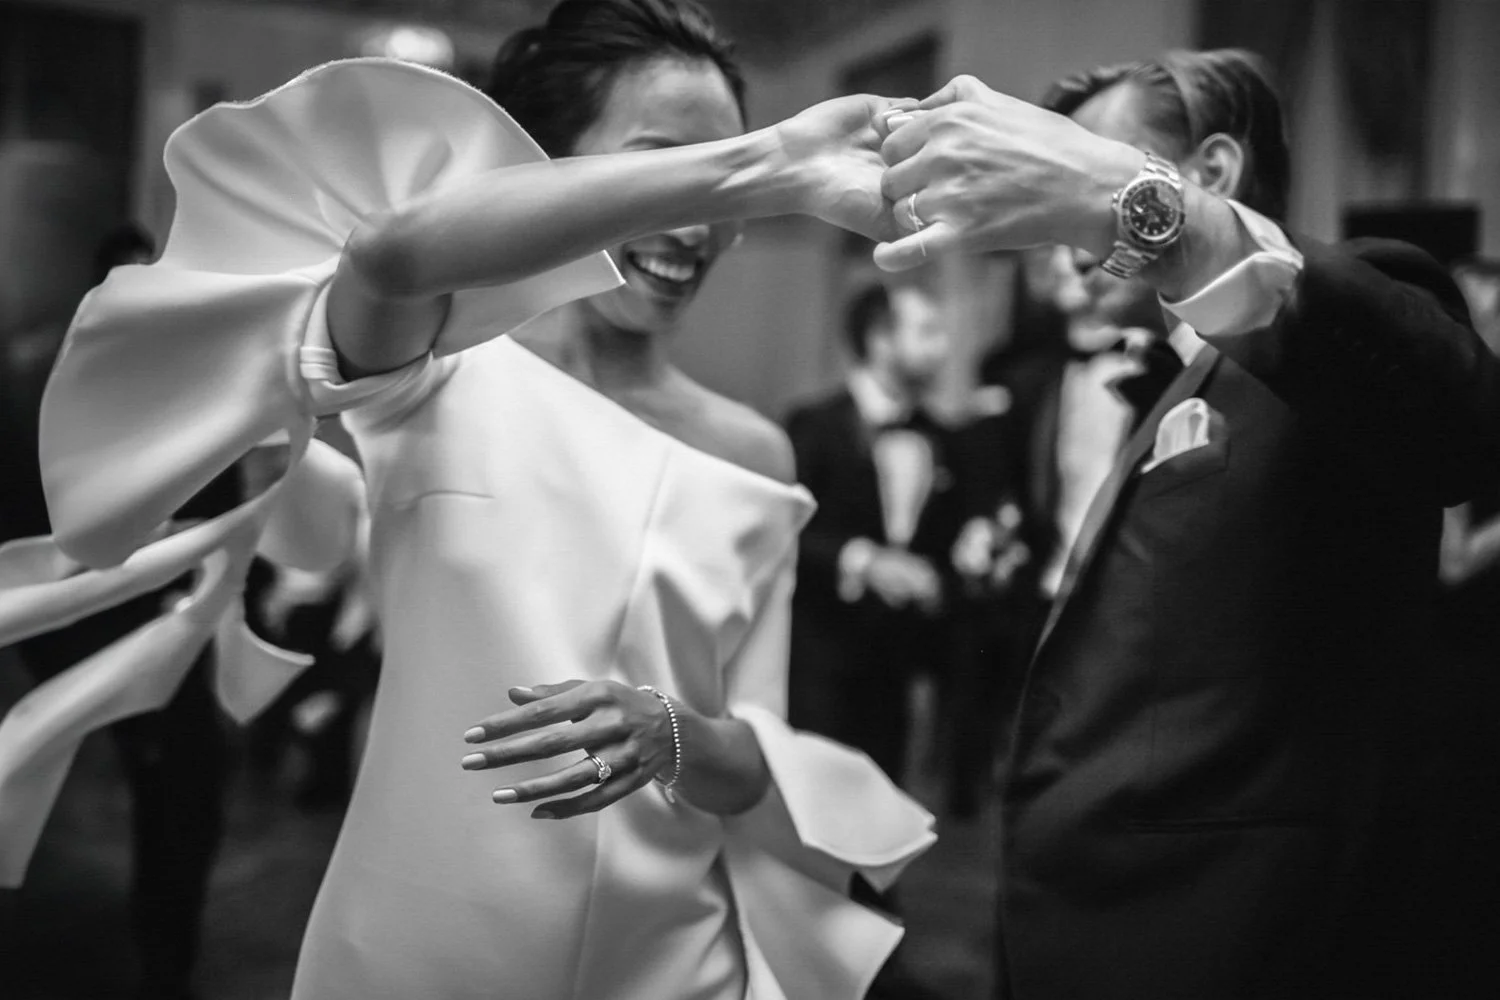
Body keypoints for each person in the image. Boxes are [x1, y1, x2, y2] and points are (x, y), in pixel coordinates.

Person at [1, 2, 936, 998]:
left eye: (721, 176)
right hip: (421, 939)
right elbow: (388, 254)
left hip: (672, 955)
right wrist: (765, 165)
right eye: (667, 163)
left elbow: (751, 758)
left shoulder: (755, 451)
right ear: (555, 171)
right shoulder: (433, 374)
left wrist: (669, 730)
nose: (701, 224)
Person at [872, 49, 1500, 999]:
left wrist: (1136, 205)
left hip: (1247, 934)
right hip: (1093, 909)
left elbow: (1462, 430)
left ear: (1210, 171)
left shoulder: (1342, 310)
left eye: (1085, 171)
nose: (1062, 236)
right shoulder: (1139, 376)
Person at [0, 223, 232, 1000]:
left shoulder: (197, 382)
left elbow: (222, 508)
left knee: (183, 788)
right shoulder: (40, 377)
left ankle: (168, 959)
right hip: (77, 622)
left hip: (159, 623)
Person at [785, 282, 963, 785]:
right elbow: (781, 532)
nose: (943, 347)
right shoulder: (813, 426)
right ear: (880, 340)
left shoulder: (943, 436)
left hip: (900, 669)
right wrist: (862, 561)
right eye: (927, 331)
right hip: (820, 660)